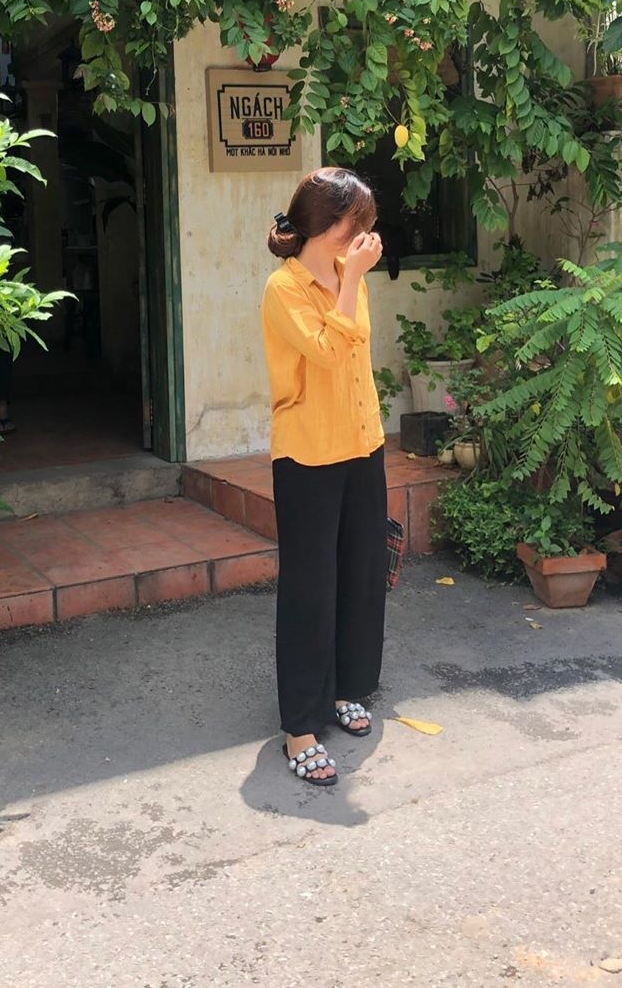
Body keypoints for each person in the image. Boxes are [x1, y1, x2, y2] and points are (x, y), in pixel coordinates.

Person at [261, 166, 387, 787]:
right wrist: (353, 279)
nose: (363, 233)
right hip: (308, 453)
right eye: (354, 222)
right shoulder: (283, 289)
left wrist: (351, 277)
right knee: (310, 588)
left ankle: (348, 687)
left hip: (363, 442)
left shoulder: (348, 276)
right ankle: (301, 727)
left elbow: (358, 350)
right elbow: (328, 351)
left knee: (362, 573)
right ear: (325, 224)